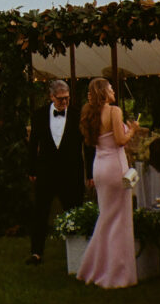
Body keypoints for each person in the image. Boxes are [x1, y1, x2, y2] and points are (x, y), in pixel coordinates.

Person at [77, 77, 140, 289]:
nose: (113, 91)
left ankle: (94, 267)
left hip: (99, 166)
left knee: (106, 216)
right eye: (111, 88)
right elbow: (120, 141)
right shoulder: (113, 111)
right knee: (118, 219)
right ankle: (115, 272)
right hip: (114, 165)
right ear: (104, 92)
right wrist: (133, 130)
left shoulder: (89, 112)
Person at [26, 79, 86, 265]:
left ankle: (79, 253)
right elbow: (33, 144)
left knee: (75, 211)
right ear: (51, 97)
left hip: (71, 172)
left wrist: (90, 173)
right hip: (46, 171)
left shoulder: (78, 115)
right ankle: (36, 252)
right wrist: (31, 169)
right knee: (40, 213)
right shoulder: (39, 115)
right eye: (60, 99)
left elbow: (88, 145)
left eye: (67, 98)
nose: (64, 102)